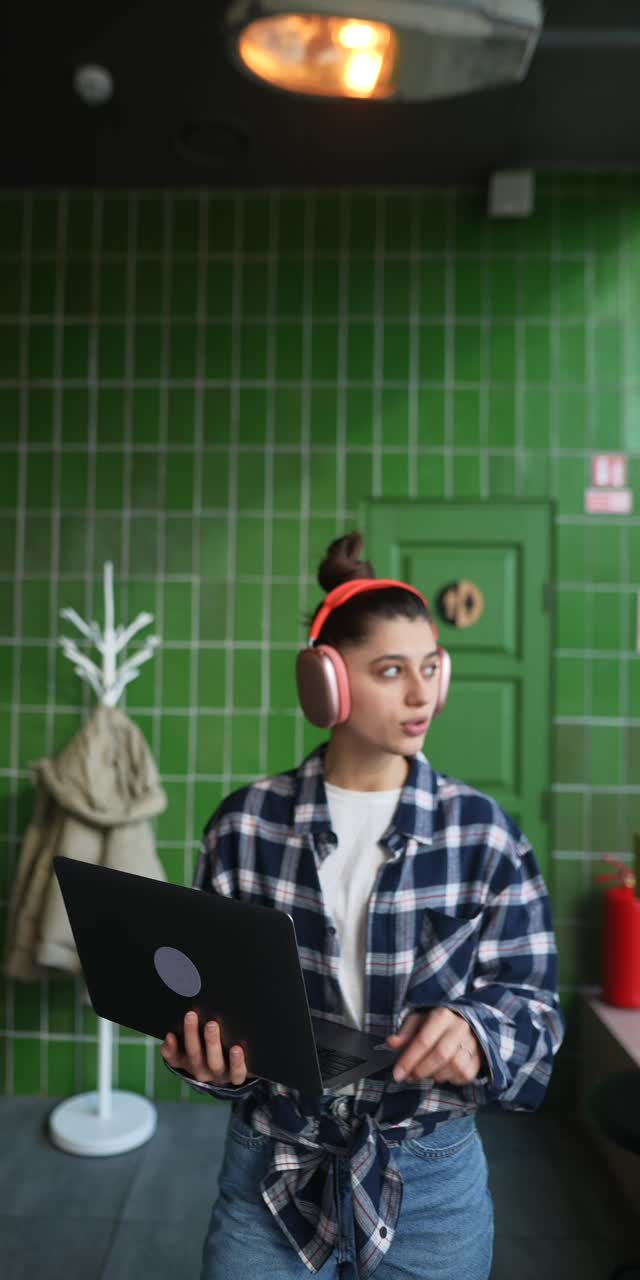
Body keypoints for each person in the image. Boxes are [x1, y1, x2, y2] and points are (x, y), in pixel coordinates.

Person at [161, 530, 565, 1280]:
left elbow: (536, 1010)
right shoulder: (244, 825)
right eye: (391, 671)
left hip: (434, 1182)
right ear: (327, 683)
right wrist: (208, 1060)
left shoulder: (484, 833)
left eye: (430, 669)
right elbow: (206, 1000)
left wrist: (477, 1032)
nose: (421, 695)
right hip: (269, 1169)